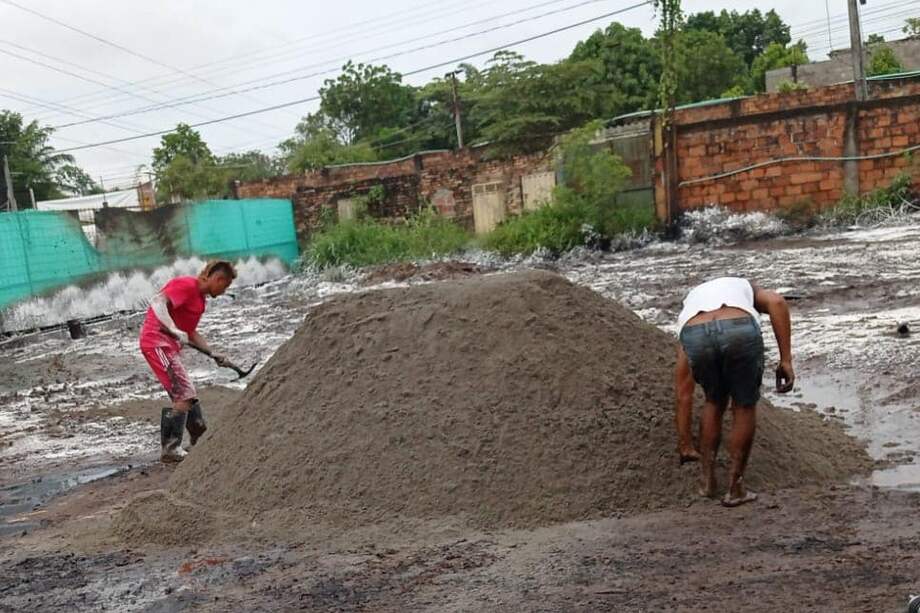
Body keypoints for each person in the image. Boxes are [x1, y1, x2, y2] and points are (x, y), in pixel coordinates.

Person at [674, 277, 794, 507]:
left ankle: (707, 483)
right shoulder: (744, 286)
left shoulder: (690, 308)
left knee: (714, 401)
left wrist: (685, 444)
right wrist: (786, 360)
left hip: (695, 333)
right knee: (743, 404)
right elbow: (777, 302)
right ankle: (735, 488)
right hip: (738, 328)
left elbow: (683, 391)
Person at [139, 260, 236, 462]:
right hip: (156, 342)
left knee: (184, 391)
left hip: (167, 346)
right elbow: (158, 302)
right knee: (184, 392)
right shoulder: (186, 285)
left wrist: (212, 353)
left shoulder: (200, 302)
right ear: (217, 278)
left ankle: (199, 436)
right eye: (225, 285)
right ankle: (170, 448)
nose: (225, 290)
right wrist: (172, 328)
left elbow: (190, 333)